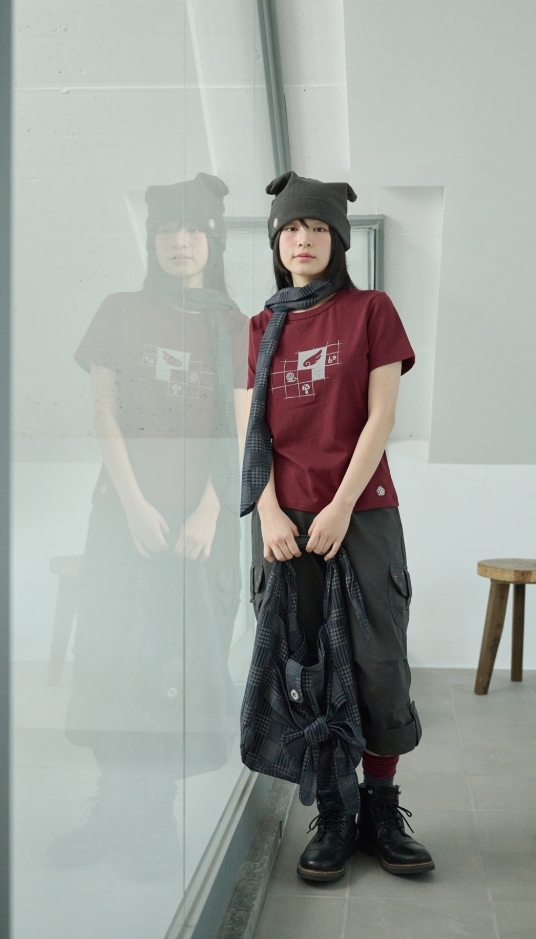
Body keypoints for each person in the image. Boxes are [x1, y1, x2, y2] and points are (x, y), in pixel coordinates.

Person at [47, 173, 248, 877]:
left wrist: (209, 511)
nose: (179, 242)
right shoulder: (121, 310)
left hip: (200, 527)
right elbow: (104, 415)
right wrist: (133, 504)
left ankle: (155, 820)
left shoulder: (235, 324)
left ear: (213, 240)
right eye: (166, 230)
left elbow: (242, 429)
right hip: (124, 515)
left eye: (192, 230)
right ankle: (110, 815)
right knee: (113, 664)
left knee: (175, 670)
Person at [242, 171, 434, 881]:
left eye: (318, 228)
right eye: (292, 227)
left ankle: (380, 809)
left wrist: (342, 504)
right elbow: (252, 431)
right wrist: (267, 511)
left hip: (362, 511)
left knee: (379, 663)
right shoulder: (260, 326)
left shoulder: (370, 310)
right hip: (285, 524)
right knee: (306, 669)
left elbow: (382, 416)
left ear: (339, 240)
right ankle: (333, 811)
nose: (304, 239)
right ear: (276, 240)